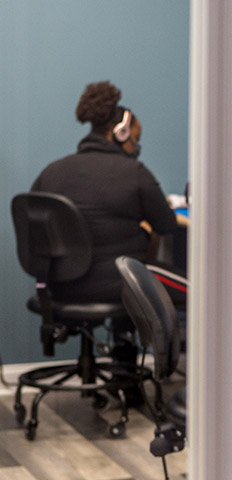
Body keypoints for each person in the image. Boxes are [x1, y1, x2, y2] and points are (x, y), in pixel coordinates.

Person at [32, 81, 180, 367]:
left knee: (126, 272)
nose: (135, 147)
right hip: (117, 287)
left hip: (58, 288)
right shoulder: (134, 172)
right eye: (133, 140)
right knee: (196, 290)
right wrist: (145, 229)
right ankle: (143, 375)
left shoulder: (51, 172)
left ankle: (123, 370)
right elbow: (167, 225)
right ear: (120, 133)